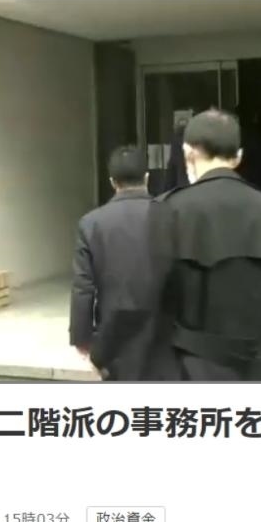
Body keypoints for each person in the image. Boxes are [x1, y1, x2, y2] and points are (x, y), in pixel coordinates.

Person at [152, 110, 261, 381]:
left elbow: (148, 300)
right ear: (238, 157)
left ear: (187, 154)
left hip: (192, 372)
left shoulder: (168, 211)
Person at [69, 146, 173, 381]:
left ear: (112, 182)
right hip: (163, 336)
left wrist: (81, 338)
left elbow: (83, 287)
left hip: (112, 338)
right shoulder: (170, 215)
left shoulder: (91, 223)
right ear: (147, 178)